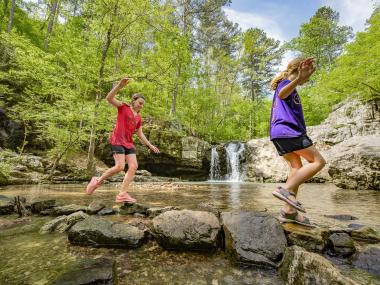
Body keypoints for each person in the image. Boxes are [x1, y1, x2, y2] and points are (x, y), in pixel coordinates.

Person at [269, 58, 326, 227]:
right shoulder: (286, 83)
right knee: (318, 161)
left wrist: (299, 80)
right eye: (308, 72)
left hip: (278, 133)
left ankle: (288, 212)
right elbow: (282, 93)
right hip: (288, 131)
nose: (308, 77)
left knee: (296, 167)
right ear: (298, 68)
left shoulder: (290, 84)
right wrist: (299, 79)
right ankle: (285, 190)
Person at [85, 77, 160, 203]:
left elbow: (140, 135)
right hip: (117, 140)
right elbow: (108, 98)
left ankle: (122, 194)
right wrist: (119, 85)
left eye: (143, 104)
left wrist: (150, 145)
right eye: (140, 103)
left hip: (128, 143)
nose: (141, 105)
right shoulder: (123, 107)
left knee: (134, 166)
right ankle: (97, 180)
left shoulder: (139, 118)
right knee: (120, 167)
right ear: (134, 101)